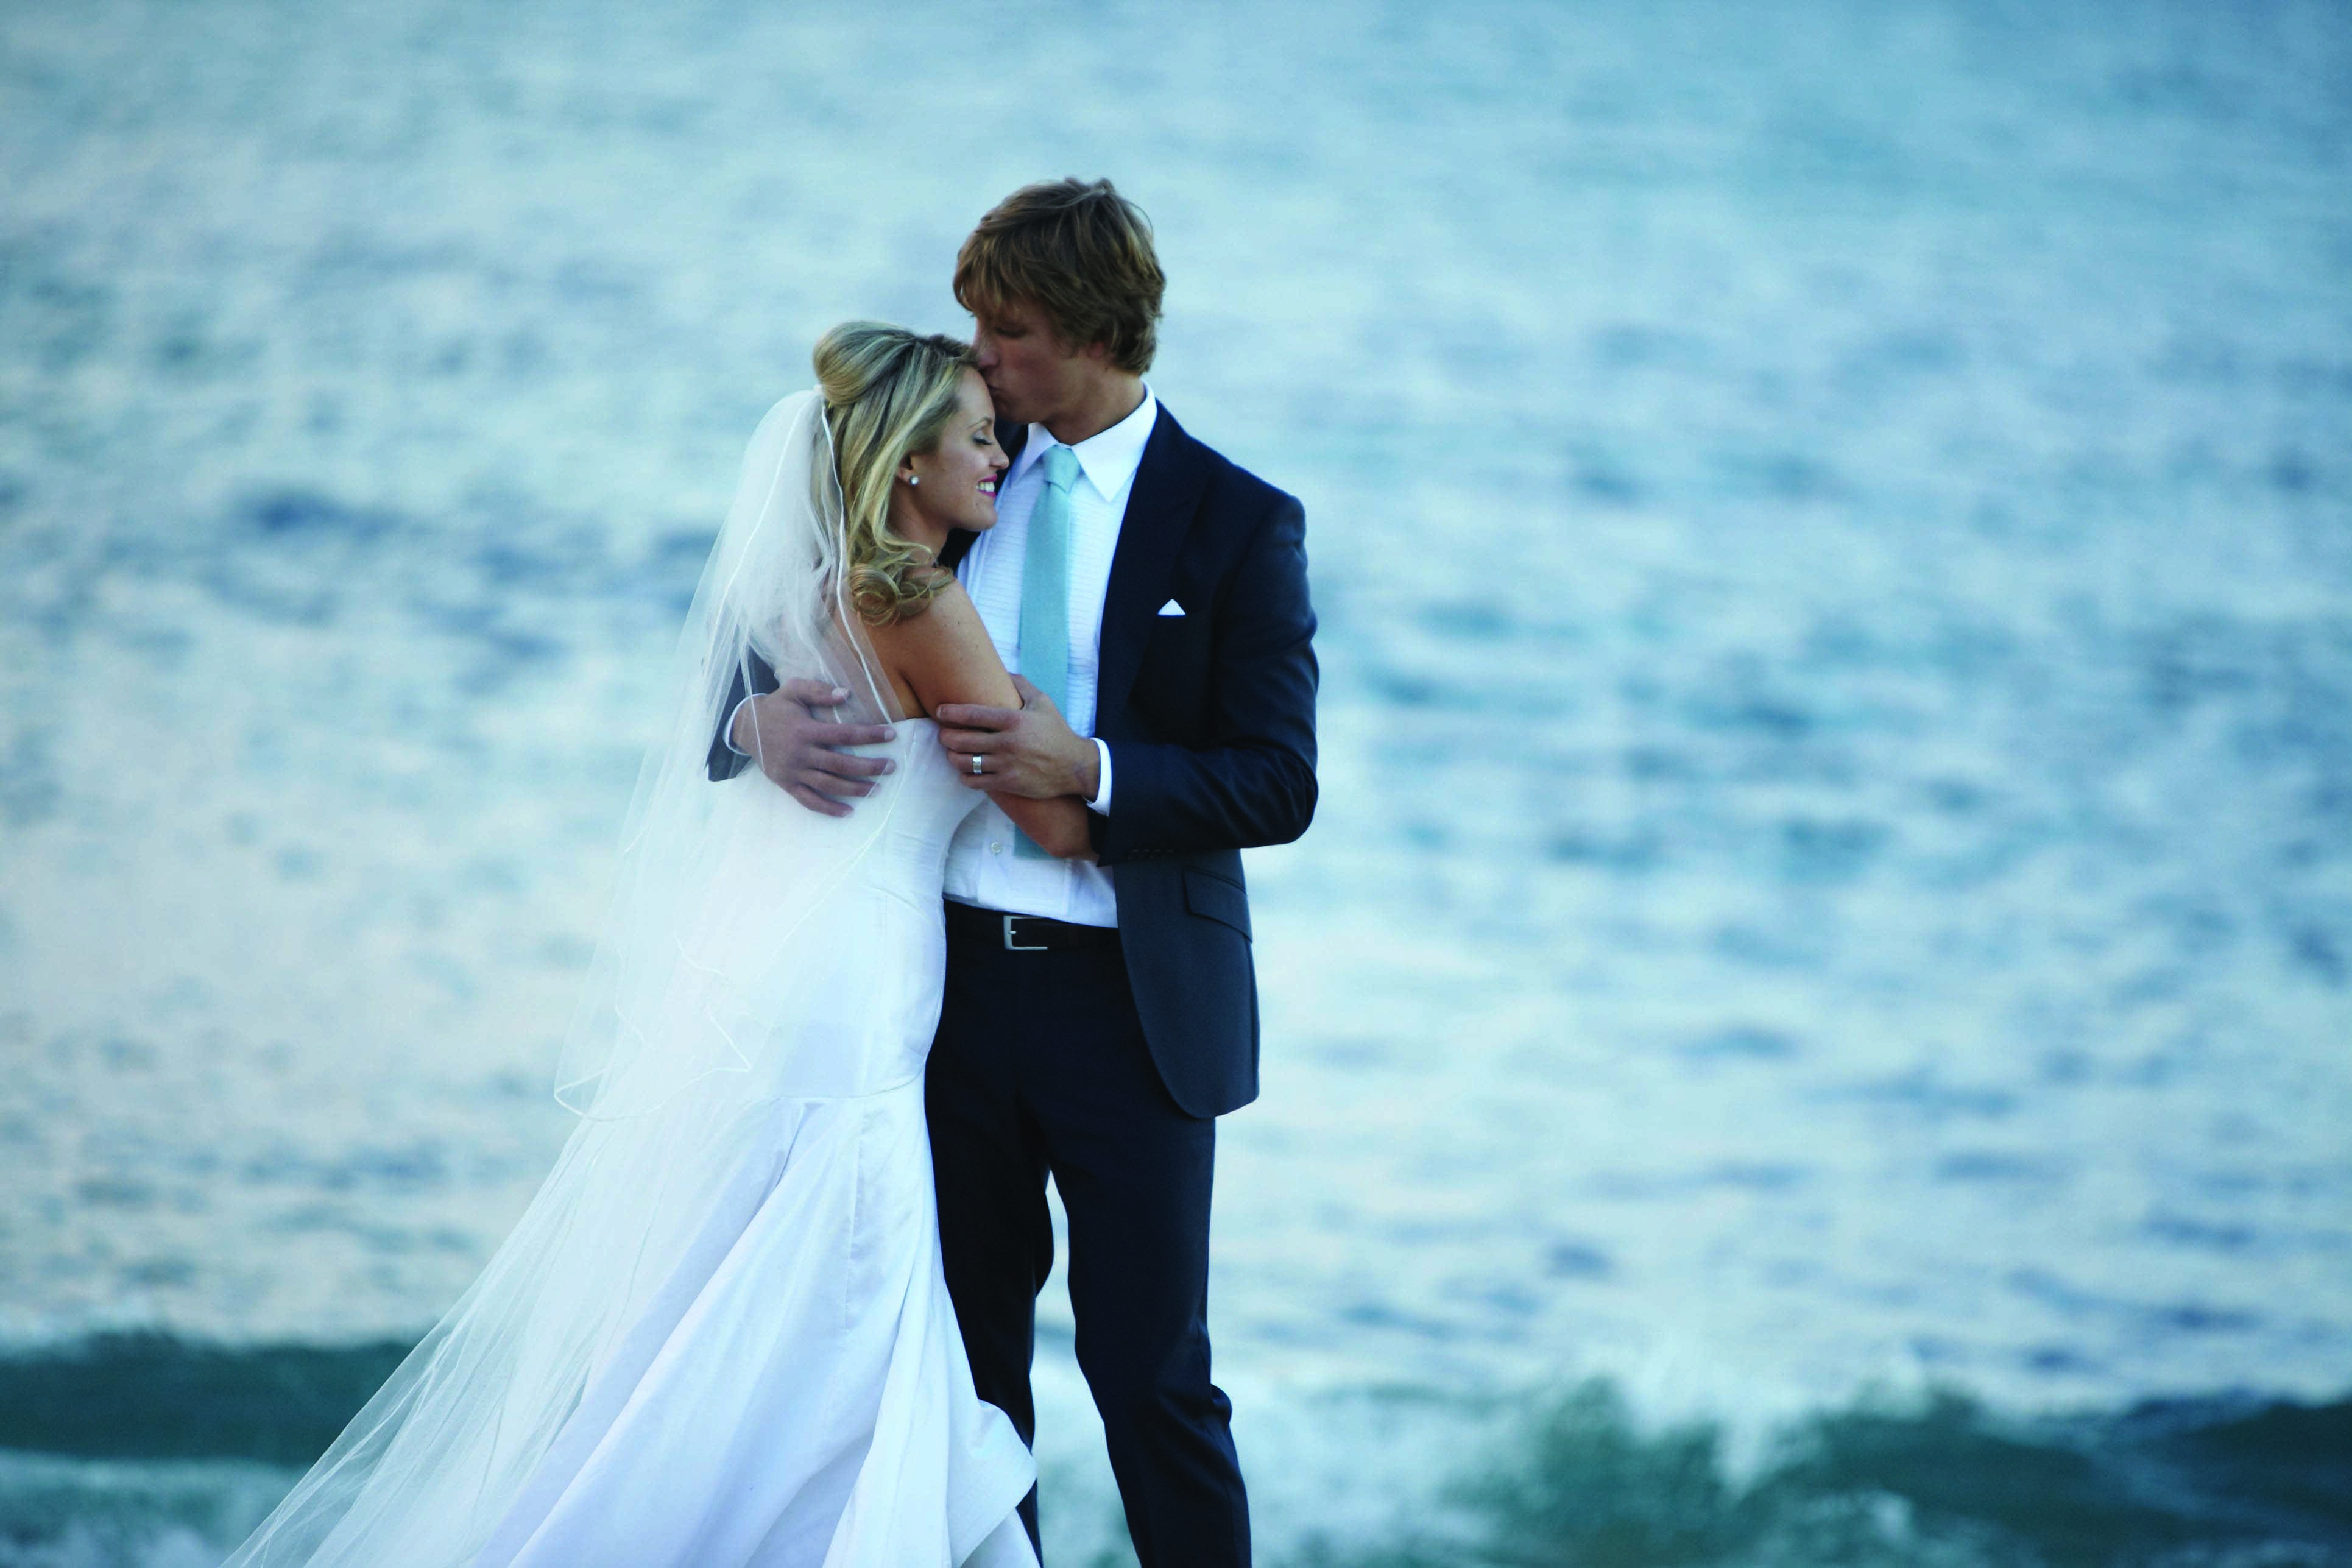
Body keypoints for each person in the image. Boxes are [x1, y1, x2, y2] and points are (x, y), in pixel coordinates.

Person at [224, 325, 1080, 1566]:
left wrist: (748, 715)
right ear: (907, 463)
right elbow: (1050, 815)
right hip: (857, 1003)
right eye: (978, 435)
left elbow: (722, 698)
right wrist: (1064, 737)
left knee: (770, 1298)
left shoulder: (817, 589)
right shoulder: (920, 599)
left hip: (803, 978)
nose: (1000, 454)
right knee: (841, 1298)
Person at [716, 178, 1318, 1567]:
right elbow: (776, 626)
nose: (979, 355)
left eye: (1011, 330)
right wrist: (750, 726)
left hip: (1135, 1009)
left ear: (1100, 333)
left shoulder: (1237, 523)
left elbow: (1278, 779)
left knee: (1152, 1380)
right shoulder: (955, 470)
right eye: (975, 326)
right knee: (963, 1369)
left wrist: (1092, 773)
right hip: (945, 994)